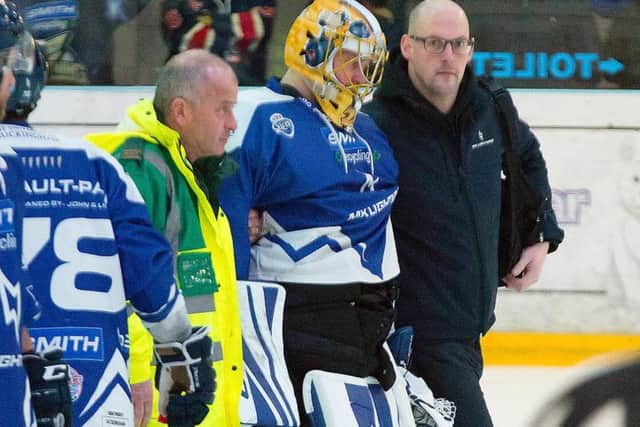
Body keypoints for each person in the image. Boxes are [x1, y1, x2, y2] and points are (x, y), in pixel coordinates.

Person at [0, 5, 217, 426]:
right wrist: (180, 352)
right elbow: (153, 279)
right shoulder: (98, 165)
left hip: (15, 393)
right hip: (102, 396)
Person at [362, 1, 565, 426]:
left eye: (458, 44)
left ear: (470, 48)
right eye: (435, 43)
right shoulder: (377, 125)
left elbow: (528, 159)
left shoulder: (488, 108)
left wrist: (540, 235)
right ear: (407, 46)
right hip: (416, 336)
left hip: (470, 328)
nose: (448, 55)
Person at [219, 0, 399, 422]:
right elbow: (218, 223)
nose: (361, 79)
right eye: (353, 63)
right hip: (301, 326)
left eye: (368, 67)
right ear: (313, 50)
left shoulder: (366, 125)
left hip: (374, 332)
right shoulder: (253, 117)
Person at [86, 49, 243, 427]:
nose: (233, 123)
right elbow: (123, 282)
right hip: (161, 401)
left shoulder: (194, 173)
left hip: (196, 396)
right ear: (180, 112)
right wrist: (137, 371)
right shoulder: (144, 172)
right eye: (222, 108)